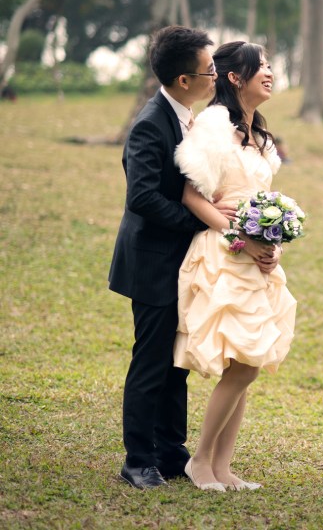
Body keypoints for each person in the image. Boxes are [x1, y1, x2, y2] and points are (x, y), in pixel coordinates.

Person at [109, 25, 237, 489]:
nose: (216, 76)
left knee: (175, 363)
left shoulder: (188, 117)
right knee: (151, 361)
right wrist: (200, 222)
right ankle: (138, 459)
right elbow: (142, 197)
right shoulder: (150, 123)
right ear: (184, 80)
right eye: (210, 70)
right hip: (151, 262)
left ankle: (169, 449)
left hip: (181, 261)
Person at [173, 41, 293, 491]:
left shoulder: (258, 133)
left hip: (256, 257)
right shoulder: (213, 125)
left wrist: (272, 243)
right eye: (261, 66)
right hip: (224, 252)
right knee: (245, 362)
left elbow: (260, 200)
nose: (270, 72)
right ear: (234, 77)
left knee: (247, 361)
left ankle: (223, 466)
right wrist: (239, 237)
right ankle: (200, 460)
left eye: (270, 65)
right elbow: (192, 196)